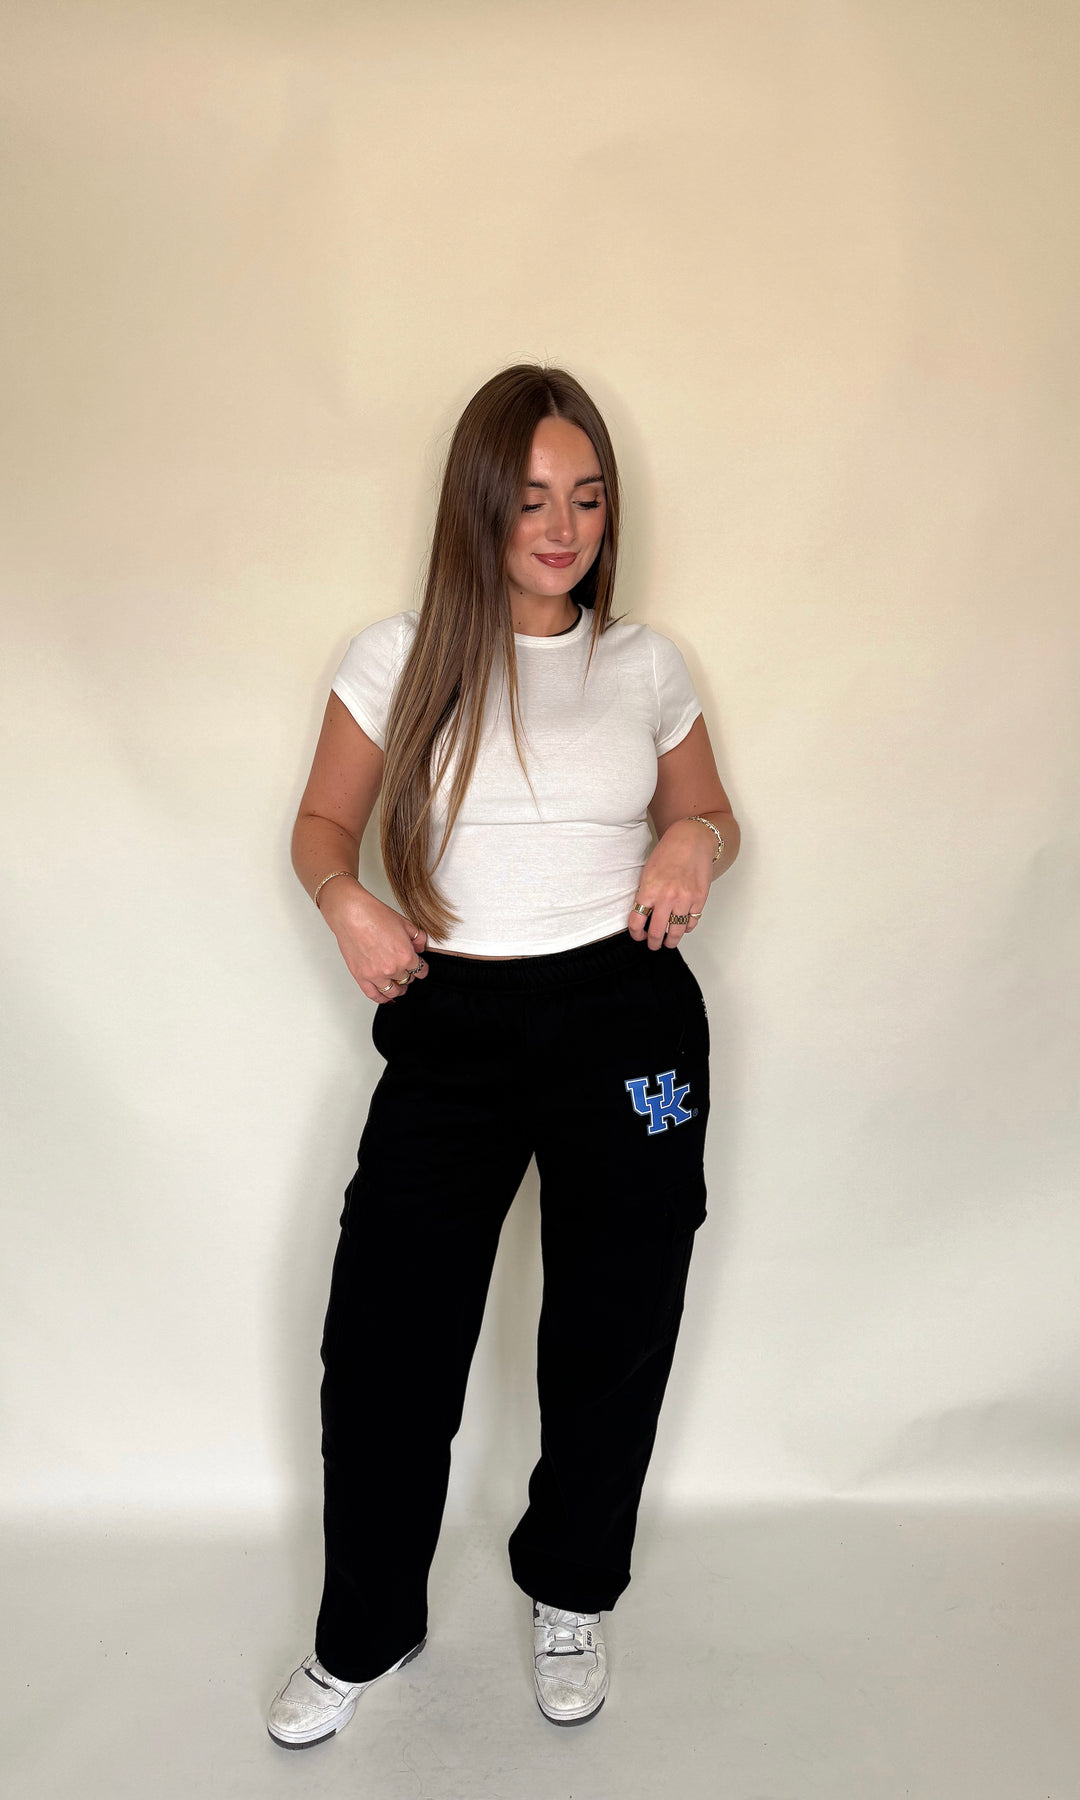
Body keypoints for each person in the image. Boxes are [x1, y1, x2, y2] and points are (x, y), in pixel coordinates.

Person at [267, 364, 740, 1747]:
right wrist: (349, 903)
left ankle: (572, 1588)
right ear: (478, 503)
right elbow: (319, 827)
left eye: (587, 498)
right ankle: (366, 1630)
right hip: (455, 1021)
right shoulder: (397, 657)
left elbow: (714, 815)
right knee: (386, 1341)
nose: (564, 527)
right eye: (532, 498)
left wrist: (692, 840)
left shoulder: (645, 665)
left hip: (624, 1011)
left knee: (615, 1322)